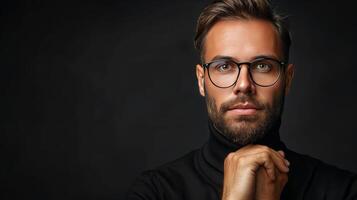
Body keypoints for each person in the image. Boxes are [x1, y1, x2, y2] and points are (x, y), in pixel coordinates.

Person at [126, 0, 357, 199]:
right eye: (224, 66)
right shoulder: (154, 192)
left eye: (263, 66)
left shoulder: (343, 191)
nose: (244, 85)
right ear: (201, 80)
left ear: (287, 79)